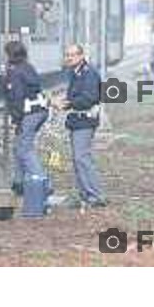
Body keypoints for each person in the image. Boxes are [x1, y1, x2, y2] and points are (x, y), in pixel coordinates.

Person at [54, 44, 106, 208]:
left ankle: (95, 196)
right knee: (78, 159)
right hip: (77, 120)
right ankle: (85, 194)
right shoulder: (74, 73)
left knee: (81, 158)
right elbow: (75, 96)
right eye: (67, 55)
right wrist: (66, 102)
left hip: (85, 120)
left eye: (73, 55)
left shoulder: (89, 74)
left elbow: (89, 98)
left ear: (82, 56)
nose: (69, 58)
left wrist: (67, 104)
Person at [3, 41, 50, 214]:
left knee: (24, 149)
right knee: (19, 146)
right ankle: (19, 184)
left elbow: (16, 98)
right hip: (39, 111)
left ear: (10, 55)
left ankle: (42, 183)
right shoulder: (27, 66)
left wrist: (16, 120)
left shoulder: (15, 72)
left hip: (29, 113)